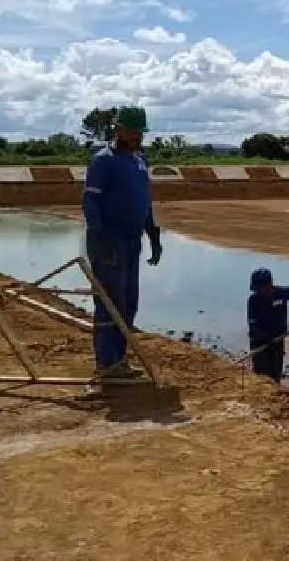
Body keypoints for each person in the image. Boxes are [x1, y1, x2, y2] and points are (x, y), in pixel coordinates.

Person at [81, 105, 163, 387]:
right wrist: (100, 239)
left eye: (140, 132)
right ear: (117, 130)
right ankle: (107, 364)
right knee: (109, 303)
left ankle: (121, 359)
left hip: (132, 241)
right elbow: (90, 201)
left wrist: (153, 234)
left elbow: (144, 199)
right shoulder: (104, 161)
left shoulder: (139, 159)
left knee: (128, 303)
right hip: (109, 241)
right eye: (132, 131)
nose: (137, 136)